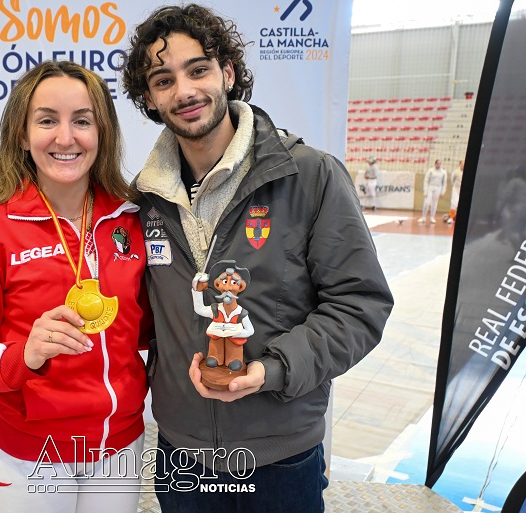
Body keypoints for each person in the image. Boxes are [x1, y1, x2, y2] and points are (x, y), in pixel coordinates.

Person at [122, 5, 394, 512]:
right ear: (150, 99)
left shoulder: (310, 176)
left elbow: (360, 306)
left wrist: (272, 370)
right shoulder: (145, 200)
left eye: (197, 69)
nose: (184, 91)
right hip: (181, 452)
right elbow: (143, 319)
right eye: (163, 80)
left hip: (281, 455)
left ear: (227, 72)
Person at [0, 60, 153, 513]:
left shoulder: (133, 221)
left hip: (119, 449)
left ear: (102, 133)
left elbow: (150, 328)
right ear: (21, 133)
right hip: (30, 456)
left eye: (82, 121)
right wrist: (23, 356)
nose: (66, 137)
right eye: (47, 120)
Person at [418, 159, 447, 224]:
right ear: (435, 164)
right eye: (437, 163)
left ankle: (432, 217)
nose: (438, 165)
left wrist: (443, 192)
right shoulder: (430, 170)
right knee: (427, 202)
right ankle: (423, 217)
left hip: (438, 188)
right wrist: (425, 190)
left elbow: (444, 183)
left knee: (434, 203)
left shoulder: (443, 172)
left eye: (440, 163)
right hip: (430, 187)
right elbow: (426, 180)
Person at [447, 159, 464, 224]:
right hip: (456, 188)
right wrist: (455, 186)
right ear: (460, 164)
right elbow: (452, 180)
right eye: (462, 164)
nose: (463, 165)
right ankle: (451, 218)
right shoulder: (456, 172)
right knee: (454, 203)